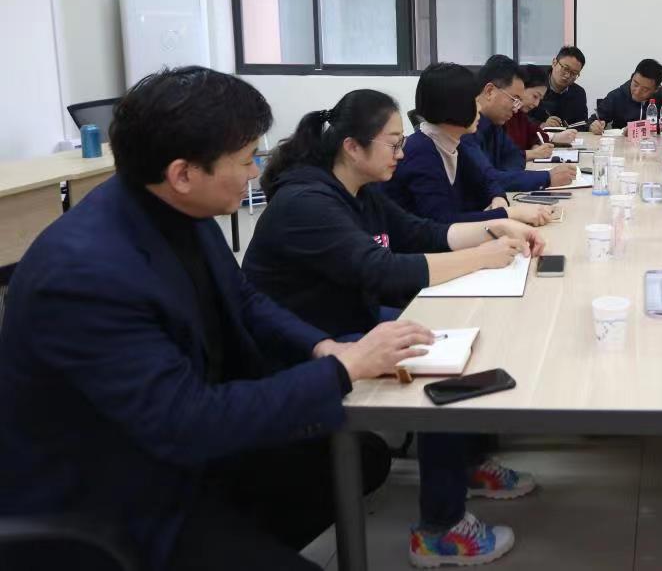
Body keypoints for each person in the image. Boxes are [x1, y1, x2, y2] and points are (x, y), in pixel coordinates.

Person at [0, 67, 425, 571]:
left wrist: (323, 348)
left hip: (178, 451)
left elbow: (244, 299)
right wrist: (341, 371)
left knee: (359, 458)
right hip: (117, 497)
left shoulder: (174, 206)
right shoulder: (84, 275)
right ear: (183, 173)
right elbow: (188, 422)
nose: (255, 173)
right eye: (245, 160)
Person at [243, 88, 545, 568]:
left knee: (468, 339)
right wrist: (483, 256)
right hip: (308, 345)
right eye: (394, 143)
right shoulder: (307, 203)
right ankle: (439, 531)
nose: (402, 153)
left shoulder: (362, 191)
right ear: (352, 147)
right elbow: (384, 271)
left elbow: (423, 232)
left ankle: (465, 465)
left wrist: (498, 226)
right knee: (438, 364)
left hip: (351, 322)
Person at [386, 64, 553, 227]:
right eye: (474, 101)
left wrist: (498, 199)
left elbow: (488, 181)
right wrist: (510, 213)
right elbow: (443, 222)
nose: (479, 107)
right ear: (452, 106)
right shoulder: (421, 152)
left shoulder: (454, 143)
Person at [466, 55, 576, 192]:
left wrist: (503, 175)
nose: (516, 108)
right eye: (514, 99)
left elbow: (515, 157)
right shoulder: (465, 127)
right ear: (489, 91)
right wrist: (547, 178)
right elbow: (486, 179)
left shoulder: (494, 124)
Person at [503, 64, 576, 161]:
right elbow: (500, 155)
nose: (536, 104)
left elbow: (534, 134)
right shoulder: (502, 115)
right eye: (535, 96)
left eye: (540, 99)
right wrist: (531, 153)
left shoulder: (519, 114)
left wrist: (536, 144)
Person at [588, 58, 662, 133]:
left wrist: (637, 128)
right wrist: (593, 126)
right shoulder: (616, 96)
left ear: (656, 89)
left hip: (654, 145)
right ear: (632, 77)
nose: (637, 92)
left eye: (645, 89)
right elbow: (591, 121)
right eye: (635, 84)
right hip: (622, 145)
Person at [529, 45, 589, 129]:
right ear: (554, 63)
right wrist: (541, 124)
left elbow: (582, 124)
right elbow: (520, 117)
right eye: (565, 68)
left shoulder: (579, 93)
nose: (567, 75)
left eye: (574, 73)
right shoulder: (535, 84)